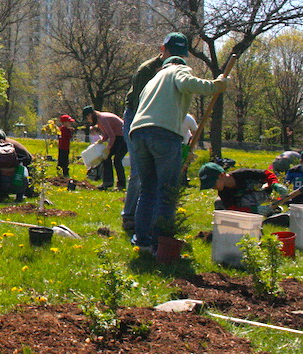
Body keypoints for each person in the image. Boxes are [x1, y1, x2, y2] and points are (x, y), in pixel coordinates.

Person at [129, 56, 228, 252]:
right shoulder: (177, 70)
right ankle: (160, 244)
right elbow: (187, 83)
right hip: (164, 133)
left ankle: (142, 241)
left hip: (138, 133)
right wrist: (216, 85)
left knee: (148, 189)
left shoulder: (151, 81)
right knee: (167, 191)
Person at [121, 32, 189, 232]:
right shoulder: (147, 70)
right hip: (137, 118)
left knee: (158, 178)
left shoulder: (180, 70)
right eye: (171, 52)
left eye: (180, 55)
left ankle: (154, 220)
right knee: (139, 173)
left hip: (162, 123)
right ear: (162, 50)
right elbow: (142, 104)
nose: (176, 58)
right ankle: (130, 216)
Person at [199, 162, 289, 217]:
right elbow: (233, 209)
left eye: (213, 184)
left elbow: (267, 174)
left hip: (261, 192)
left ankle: (273, 209)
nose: (212, 187)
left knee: (246, 198)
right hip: (247, 203)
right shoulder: (223, 193)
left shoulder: (242, 174)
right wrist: (254, 210)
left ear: (221, 175)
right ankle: (266, 212)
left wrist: (275, 185)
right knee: (219, 202)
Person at [83, 105, 126, 190]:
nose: (88, 120)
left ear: (90, 115)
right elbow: (107, 134)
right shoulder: (99, 120)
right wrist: (102, 140)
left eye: (87, 118)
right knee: (106, 158)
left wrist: (107, 148)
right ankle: (108, 182)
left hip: (123, 138)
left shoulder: (102, 119)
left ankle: (121, 184)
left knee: (117, 160)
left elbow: (112, 136)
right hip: (117, 137)